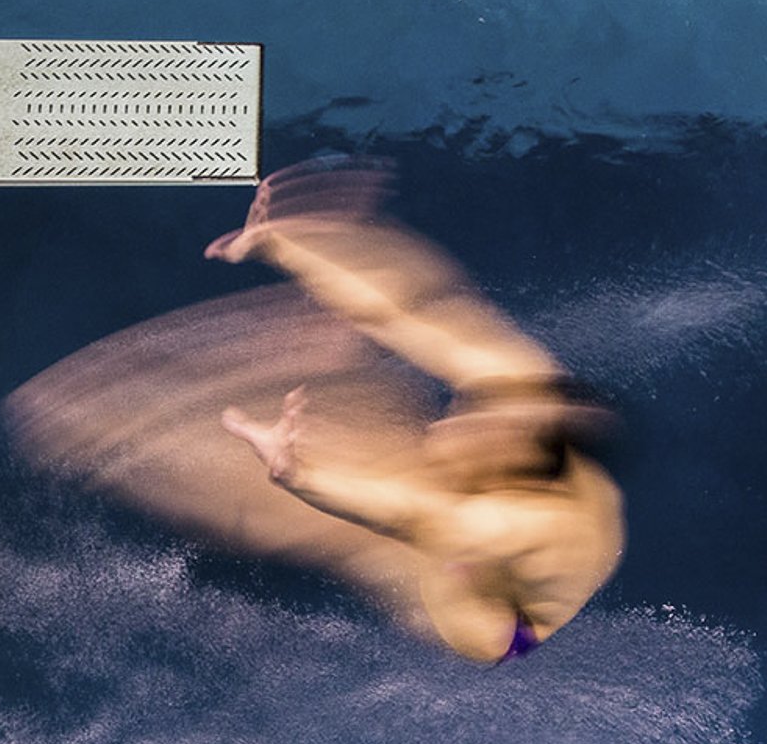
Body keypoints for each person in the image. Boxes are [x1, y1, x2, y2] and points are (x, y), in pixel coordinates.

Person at [204, 161, 624, 662]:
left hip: (496, 621)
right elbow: (409, 311)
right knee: (473, 351)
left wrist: (295, 473)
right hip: (542, 493)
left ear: (507, 473)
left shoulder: (496, 522)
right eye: (485, 415)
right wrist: (287, 245)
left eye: (482, 435)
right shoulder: (525, 386)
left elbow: (395, 510)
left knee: (373, 479)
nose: (460, 418)